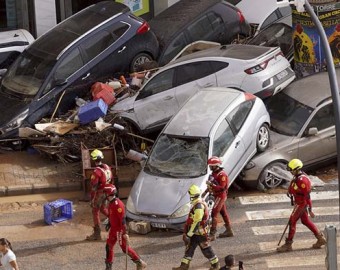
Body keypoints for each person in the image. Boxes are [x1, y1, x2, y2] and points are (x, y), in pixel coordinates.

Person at [277, 158, 327, 252]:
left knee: (292, 222)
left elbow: (307, 196)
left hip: (301, 204)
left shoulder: (303, 181)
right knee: (305, 221)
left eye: (291, 170)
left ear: (296, 169)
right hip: (299, 202)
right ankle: (320, 239)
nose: (290, 172)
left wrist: (310, 209)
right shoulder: (297, 176)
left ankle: (288, 244)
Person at [172, 184, 220, 270]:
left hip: (200, 232)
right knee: (189, 248)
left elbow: (197, 222)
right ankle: (184, 265)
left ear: (193, 195)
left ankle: (215, 265)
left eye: (190, 194)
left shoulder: (198, 207)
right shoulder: (198, 202)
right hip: (195, 231)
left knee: (206, 248)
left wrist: (189, 234)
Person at [103, 184, 147, 270]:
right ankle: (108, 267)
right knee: (108, 246)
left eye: (105, 193)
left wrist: (125, 233)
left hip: (119, 230)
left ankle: (140, 262)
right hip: (113, 229)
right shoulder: (111, 203)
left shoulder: (118, 205)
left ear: (108, 194)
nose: (104, 195)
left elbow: (122, 220)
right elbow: (112, 215)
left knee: (124, 248)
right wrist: (109, 223)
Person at [86, 149, 113, 241]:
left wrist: (92, 199)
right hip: (107, 191)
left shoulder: (96, 172)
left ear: (93, 159)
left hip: (100, 193)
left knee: (95, 211)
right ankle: (116, 220)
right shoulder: (107, 167)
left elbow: (94, 187)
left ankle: (97, 234)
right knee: (103, 208)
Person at [206, 156, 233, 240]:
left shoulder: (222, 175)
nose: (210, 167)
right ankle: (229, 231)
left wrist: (212, 185)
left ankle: (212, 234)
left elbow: (222, 187)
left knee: (214, 214)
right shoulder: (213, 174)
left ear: (216, 165)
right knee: (223, 213)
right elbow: (211, 184)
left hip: (220, 196)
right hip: (216, 195)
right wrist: (205, 192)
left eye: (211, 166)